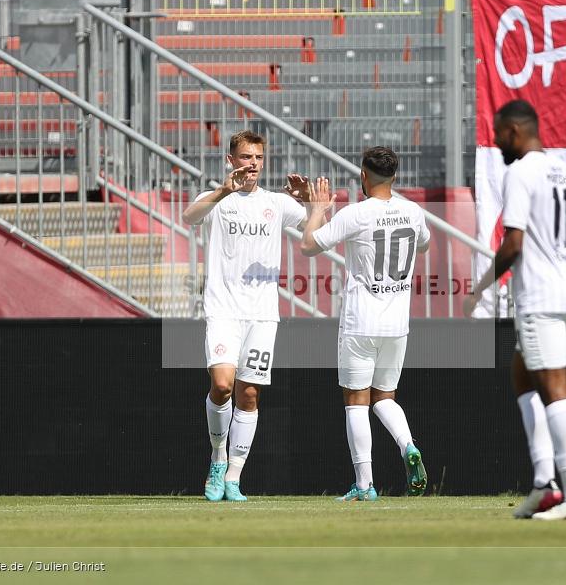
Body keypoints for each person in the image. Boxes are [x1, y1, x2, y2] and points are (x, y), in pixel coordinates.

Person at [464, 100, 566, 520]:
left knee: (555, 388)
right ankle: (544, 484)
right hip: (564, 290)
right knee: (523, 376)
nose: (497, 141)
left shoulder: (519, 172)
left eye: (499, 133)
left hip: (538, 294)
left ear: (515, 131)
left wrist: (479, 289)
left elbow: (513, 243)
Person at [181, 130, 317, 502]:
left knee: (250, 394)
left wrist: (311, 205)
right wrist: (223, 191)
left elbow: (312, 237)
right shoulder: (218, 200)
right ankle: (217, 457)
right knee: (222, 385)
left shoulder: (275, 203)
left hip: (261, 315)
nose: (252, 164)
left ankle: (234, 478)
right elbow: (189, 216)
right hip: (223, 309)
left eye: (257, 157)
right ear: (231, 160)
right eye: (245, 157)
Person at [301, 146, 430, 501]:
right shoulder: (414, 212)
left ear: (363, 175)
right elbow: (424, 246)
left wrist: (316, 211)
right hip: (396, 325)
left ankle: (364, 485)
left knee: (356, 402)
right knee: (385, 398)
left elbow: (310, 245)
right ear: (396, 176)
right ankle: (407, 446)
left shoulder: (355, 214)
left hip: (361, 321)